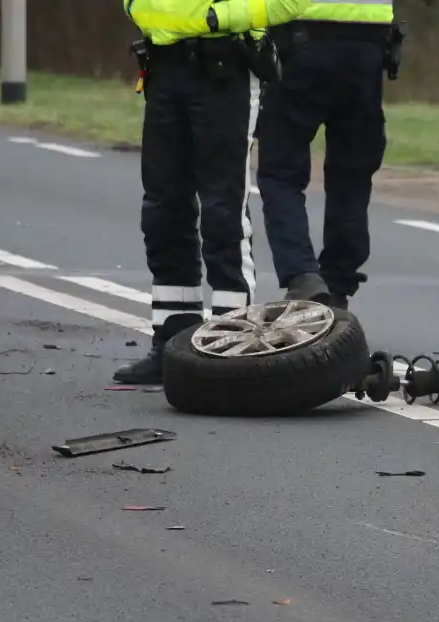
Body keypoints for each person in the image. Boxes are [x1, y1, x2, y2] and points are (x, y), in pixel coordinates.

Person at [113, 0, 312, 385]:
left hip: (226, 69)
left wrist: (216, 18)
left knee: (223, 212)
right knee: (163, 211)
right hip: (165, 65)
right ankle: (172, 341)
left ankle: (232, 344)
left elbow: (291, 3)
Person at [253, 0, 404, 310]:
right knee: (352, 172)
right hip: (368, 46)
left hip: (299, 39)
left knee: (280, 170)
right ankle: (337, 283)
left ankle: (302, 275)